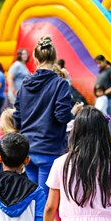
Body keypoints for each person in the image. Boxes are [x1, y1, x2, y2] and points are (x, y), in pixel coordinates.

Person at [13, 36, 73, 190]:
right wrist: (74, 112)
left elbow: (17, 119)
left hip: (28, 149)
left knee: (35, 201)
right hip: (49, 148)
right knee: (46, 204)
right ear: (55, 58)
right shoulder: (60, 84)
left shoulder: (25, 84)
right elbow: (62, 116)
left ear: (35, 58)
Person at [93, 55, 111, 133]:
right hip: (101, 99)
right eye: (97, 63)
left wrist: (105, 93)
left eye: (100, 63)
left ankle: (110, 137)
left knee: (109, 119)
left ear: (104, 60)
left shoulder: (110, 70)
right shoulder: (101, 71)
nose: (98, 65)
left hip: (109, 99)